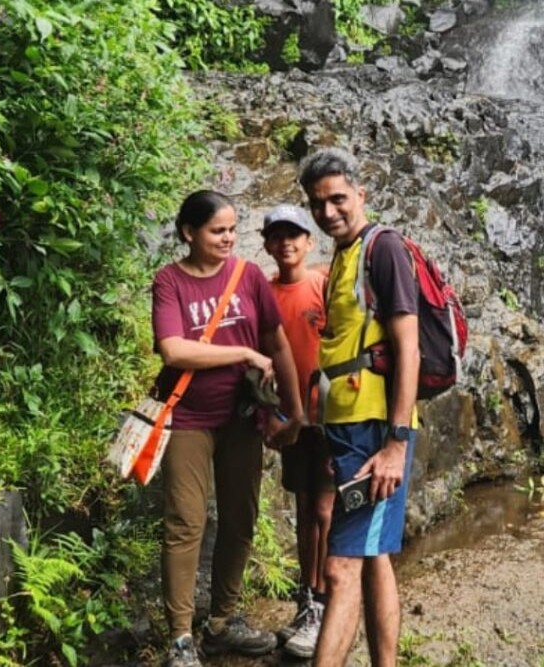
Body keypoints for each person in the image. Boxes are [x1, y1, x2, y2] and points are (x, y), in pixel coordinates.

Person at [152, 190, 304, 667]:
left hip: (242, 419)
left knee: (240, 519)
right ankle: (180, 638)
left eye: (233, 230)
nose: (228, 238)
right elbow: (174, 350)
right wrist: (240, 354)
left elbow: (277, 345)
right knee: (185, 522)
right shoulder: (170, 281)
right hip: (188, 420)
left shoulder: (248, 276)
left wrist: (294, 412)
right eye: (218, 231)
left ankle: (221, 623)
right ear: (188, 233)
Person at [299, 148, 420, 667]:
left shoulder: (383, 248)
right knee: (373, 561)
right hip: (349, 431)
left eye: (338, 199)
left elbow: (407, 348)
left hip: (376, 434)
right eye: (317, 203)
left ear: (361, 195)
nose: (328, 212)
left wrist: (397, 444)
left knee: (340, 569)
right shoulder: (344, 256)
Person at [260, 203, 334, 659]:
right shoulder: (264, 295)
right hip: (292, 420)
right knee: (305, 509)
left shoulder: (324, 285)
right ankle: (306, 600)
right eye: (277, 237)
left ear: (309, 241)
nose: (286, 244)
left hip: (328, 415)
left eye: (295, 236)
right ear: (267, 244)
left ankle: (324, 604)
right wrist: (272, 414)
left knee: (326, 510)